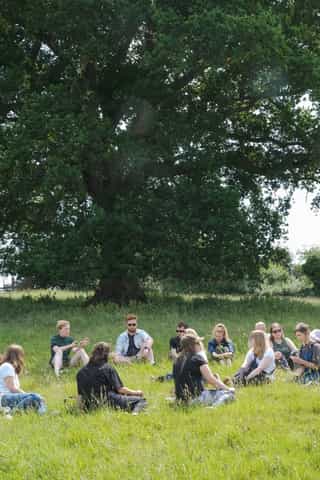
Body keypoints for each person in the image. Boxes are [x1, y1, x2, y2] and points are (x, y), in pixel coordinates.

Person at [77, 342, 146, 413]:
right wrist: (136, 392)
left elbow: (80, 395)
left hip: (89, 405)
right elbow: (120, 389)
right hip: (108, 401)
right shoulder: (107, 368)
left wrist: (79, 409)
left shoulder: (81, 372)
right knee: (141, 400)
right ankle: (134, 414)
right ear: (106, 354)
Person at [173, 334, 235, 406]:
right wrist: (227, 388)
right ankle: (214, 408)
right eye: (198, 343)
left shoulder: (177, 360)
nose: (200, 345)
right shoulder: (198, 358)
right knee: (230, 395)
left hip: (181, 399)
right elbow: (210, 379)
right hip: (196, 397)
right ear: (193, 345)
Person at [0, 344, 46, 414]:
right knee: (36, 397)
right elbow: (12, 388)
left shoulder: (10, 367)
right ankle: (11, 413)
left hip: (9, 397)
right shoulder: (7, 366)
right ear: (17, 356)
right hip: (5, 397)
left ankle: (11, 411)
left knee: (36, 399)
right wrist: (28, 394)